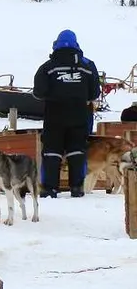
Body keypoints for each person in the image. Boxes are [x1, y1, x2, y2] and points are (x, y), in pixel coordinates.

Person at [32, 30, 100, 198]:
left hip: (54, 116)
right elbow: (94, 94)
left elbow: (39, 92)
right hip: (79, 116)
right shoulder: (88, 66)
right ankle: (77, 188)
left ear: (56, 45)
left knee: (51, 152)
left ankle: (49, 189)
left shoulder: (47, 67)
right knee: (77, 151)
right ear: (76, 44)